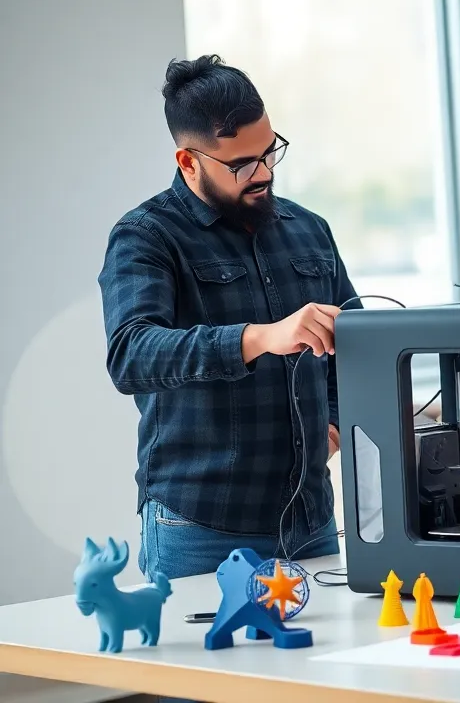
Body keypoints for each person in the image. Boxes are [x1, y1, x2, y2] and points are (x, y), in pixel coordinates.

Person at [98, 55, 361, 580]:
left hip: (310, 522)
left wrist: (331, 424)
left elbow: (351, 347)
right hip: (200, 529)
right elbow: (132, 354)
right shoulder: (147, 236)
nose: (262, 173)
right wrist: (260, 337)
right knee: (203, 665)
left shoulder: (311, 230)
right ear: (188, 161)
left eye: (269, 152)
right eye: (241, 164)